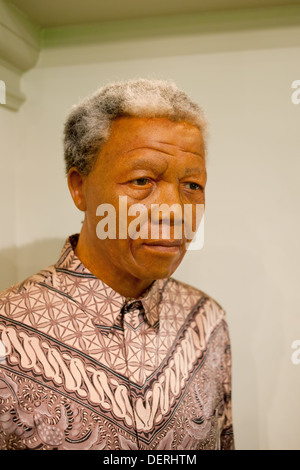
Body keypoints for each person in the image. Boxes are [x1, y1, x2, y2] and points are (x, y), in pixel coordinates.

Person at [0, 79, 234, 450]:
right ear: (80, 188)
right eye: (142, 180)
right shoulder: (8, 333)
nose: (175, 212)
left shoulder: (207, 322)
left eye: (192, 185)